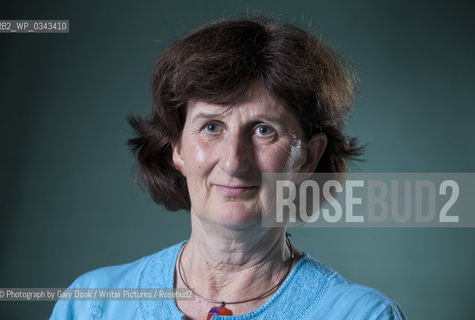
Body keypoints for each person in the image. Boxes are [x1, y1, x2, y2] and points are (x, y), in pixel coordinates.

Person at [50, 16, 407, 320]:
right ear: (177, 146)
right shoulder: (91, 305)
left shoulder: (360, 315)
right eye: (211, 127)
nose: (234, 161)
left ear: (309, 157)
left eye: (264, 130)